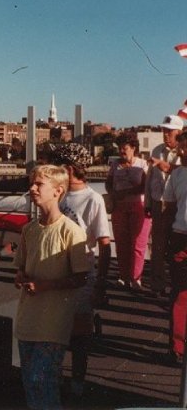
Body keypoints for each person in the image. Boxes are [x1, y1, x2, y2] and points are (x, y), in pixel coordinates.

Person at [14, 164, 90, 410]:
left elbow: (81, 278)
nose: (32, 188)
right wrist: (21, 277)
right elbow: (22, 267)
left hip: (53, 322)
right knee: (30, 384)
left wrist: (46, 285)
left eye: (39, 184)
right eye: (32, 183)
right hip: (28, 321)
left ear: (58, 191)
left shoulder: (71, 231)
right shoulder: (29, 230)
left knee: (42, 379)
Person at [50, 143, 112, 398]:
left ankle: (77, 383)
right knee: (54, 330)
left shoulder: (93, 198)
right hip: (54, 270)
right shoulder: (55, 194)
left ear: (69, 168)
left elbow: (104, 243)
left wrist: (101, 283)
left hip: (82, 271)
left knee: (79, 334)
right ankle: (54, 378)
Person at [106, 135, 151, 290]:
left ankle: (135, 277)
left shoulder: (143, 164)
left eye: (124, 148)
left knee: (138, 244)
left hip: (139, 207)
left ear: (133, 148)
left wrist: (126, 192)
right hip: (119, 208)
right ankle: (124, 276)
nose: (121, 152)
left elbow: (146, 185)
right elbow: (108, 183)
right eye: (120, 148)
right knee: (121, 243)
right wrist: (112, 193)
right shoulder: (115, 164)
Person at [145, 115, 183, 296]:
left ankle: (176, 283)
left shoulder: (184, 152)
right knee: (157, 247)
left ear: (179, 132)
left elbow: (180, 170)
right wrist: (148, 203)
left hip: (177, 206)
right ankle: (157, 285)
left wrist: (162, 165)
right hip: (159, 204)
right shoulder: (156, 150)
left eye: (169, 131)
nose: (165, 134)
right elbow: (149, 179)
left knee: (175, 249)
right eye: (164, 130)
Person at [162, 131, 187, 356]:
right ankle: (177, 346)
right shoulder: (176, 175)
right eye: (181, 148)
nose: (183, 152)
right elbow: (168, 210)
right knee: (180, 294)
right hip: (181, 237)